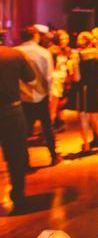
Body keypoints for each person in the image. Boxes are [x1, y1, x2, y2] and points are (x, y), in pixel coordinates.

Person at [0, 30, 36, 210]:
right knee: (16, 155)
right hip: (11, 110)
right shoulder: (14, 55)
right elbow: (31, 78)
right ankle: (18, 195)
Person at [15, 26, 61, 166]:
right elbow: (48, 77)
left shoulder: (16, 52)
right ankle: (53, 156)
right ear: (35, 36)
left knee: (24, 130)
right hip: (41, 95)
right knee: (47, 127)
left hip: (22, 96)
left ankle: (24, 159)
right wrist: (49, 93)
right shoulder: (44, 52)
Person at [72, 31, 98, 152]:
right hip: (96, 88)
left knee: (83, 118)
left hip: (84, 89)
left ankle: (86, 146)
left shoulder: (77, 56)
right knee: (97, 118)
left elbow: (77, 77)